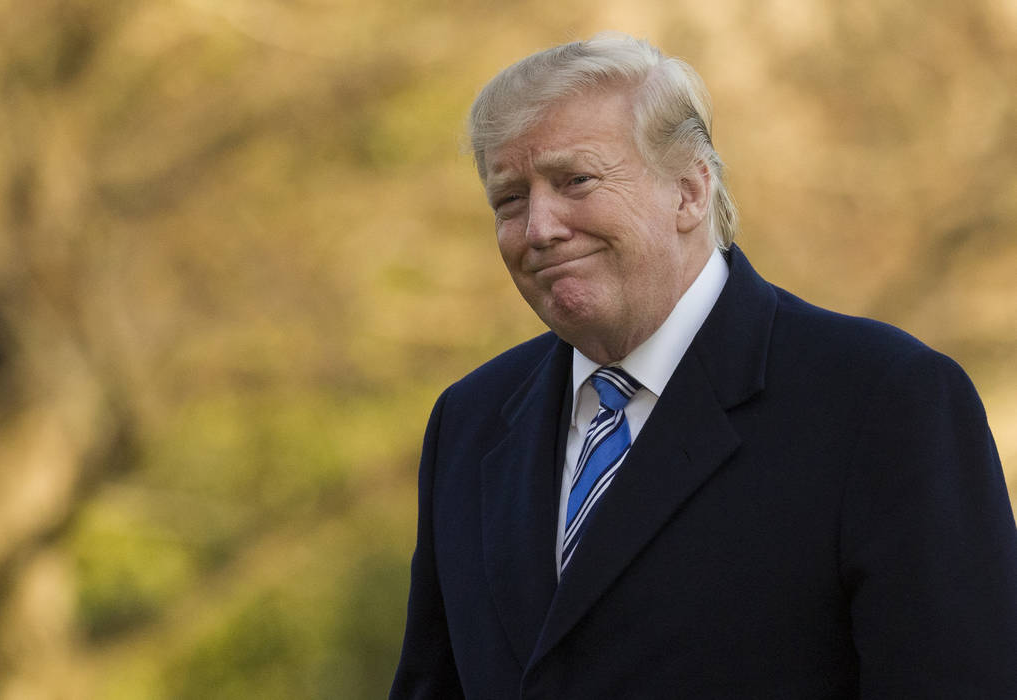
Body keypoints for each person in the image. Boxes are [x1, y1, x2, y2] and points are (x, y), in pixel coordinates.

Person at [390, 34, 1017, 698]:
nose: (539, 227)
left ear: (689, 191)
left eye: (575, 181)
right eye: (509, 200)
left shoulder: (882, 400)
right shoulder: (470, 422)